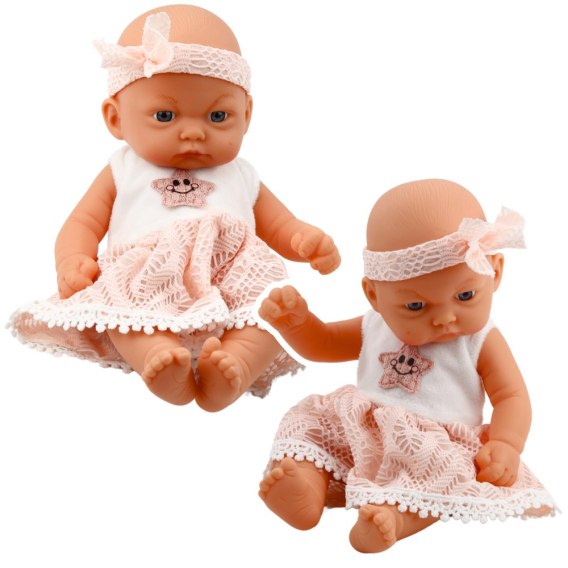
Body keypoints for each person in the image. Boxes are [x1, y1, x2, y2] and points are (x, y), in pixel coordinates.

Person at [9, 5, 340, 410]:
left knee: (271, 315)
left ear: (247, 115)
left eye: (218, 115)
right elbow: (83, 221)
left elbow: (280, 224)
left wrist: (304, 241)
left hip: (234, 276)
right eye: (165, 115)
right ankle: (159, 359)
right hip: (149, 276)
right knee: (124, 315)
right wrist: (72, 260)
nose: (194, 132)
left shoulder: (242, 174)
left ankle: (234, 367)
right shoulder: (124, 169)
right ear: (115, 118)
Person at [258, 179, 556, 553]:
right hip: (361, 427)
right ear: (374, 295)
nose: (445, 317)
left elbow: (512, 396)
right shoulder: (375, 324)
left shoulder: (480, 340)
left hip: (434, 445)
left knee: (447, 477)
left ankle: (395, 519)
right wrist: (299, 324)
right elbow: (325, 344)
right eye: (415, 306)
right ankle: (306, 483)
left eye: (465, 295)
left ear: (494, 273)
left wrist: (506, 443)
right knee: (312, 429)